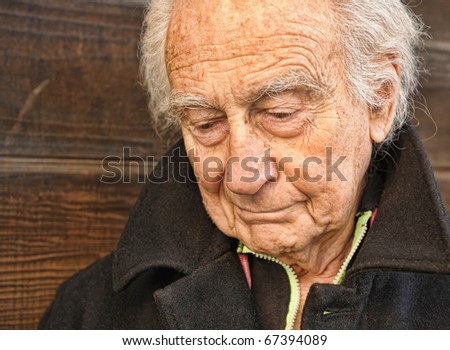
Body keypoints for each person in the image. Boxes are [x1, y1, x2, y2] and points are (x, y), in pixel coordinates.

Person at [39, 0, 449, 329]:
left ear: (379, 99)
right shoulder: (91, 315)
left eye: (282, 113)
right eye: (206, 123)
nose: (241, 177)